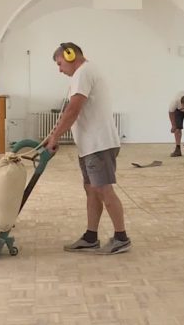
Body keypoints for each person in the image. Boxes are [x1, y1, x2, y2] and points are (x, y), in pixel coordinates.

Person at [45, 42, 131, 255]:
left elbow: (73, 110)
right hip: (89, 145)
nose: (59, 70)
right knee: (91, 190)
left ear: (70, 55)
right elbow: (71, 111)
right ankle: (91, 237)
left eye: (60, 63)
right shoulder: (82, 74)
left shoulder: (83, 73)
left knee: (103, 190)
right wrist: (54, 133)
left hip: (98, 144)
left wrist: (56, 137)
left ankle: (121, 238)